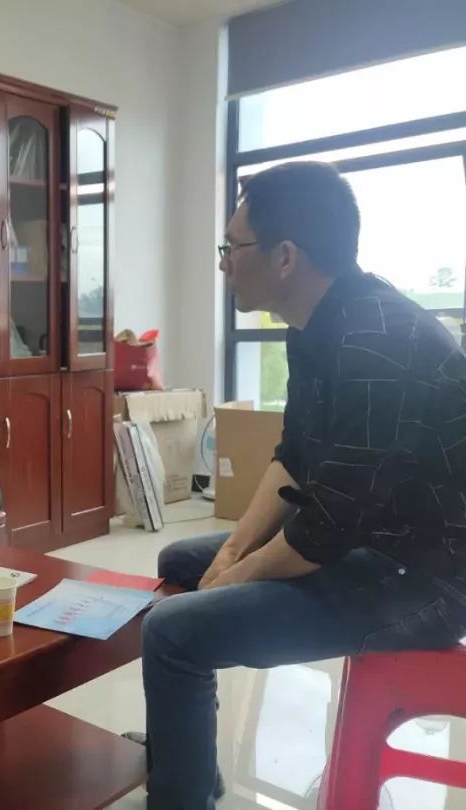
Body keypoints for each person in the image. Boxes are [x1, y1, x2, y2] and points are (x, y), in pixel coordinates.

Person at [138, 162, 466, 810]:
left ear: (285, 257)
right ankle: (192, 766)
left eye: (233, 247)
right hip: (366, 541)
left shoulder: (376, 344)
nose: (225, 262)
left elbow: (325, 528)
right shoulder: (314, 326)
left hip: (423, 579)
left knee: (170, 633)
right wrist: (232, 552)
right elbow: (294, 457)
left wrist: (236, 577)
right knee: (182, 562)